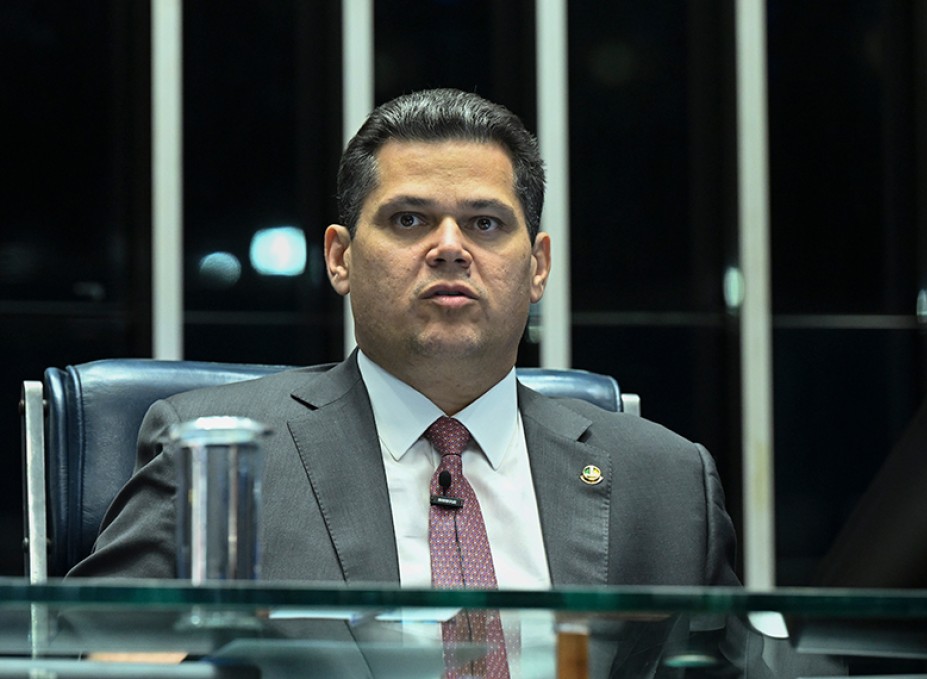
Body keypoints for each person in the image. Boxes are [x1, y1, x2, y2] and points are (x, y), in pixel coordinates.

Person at [68, 87, 737, 591]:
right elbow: (98, 650)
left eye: (485, 223)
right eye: (409, 219)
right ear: (340, 258)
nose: (449, 248)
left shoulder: (666, 482)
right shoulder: (218, 453)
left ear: (537, 266)